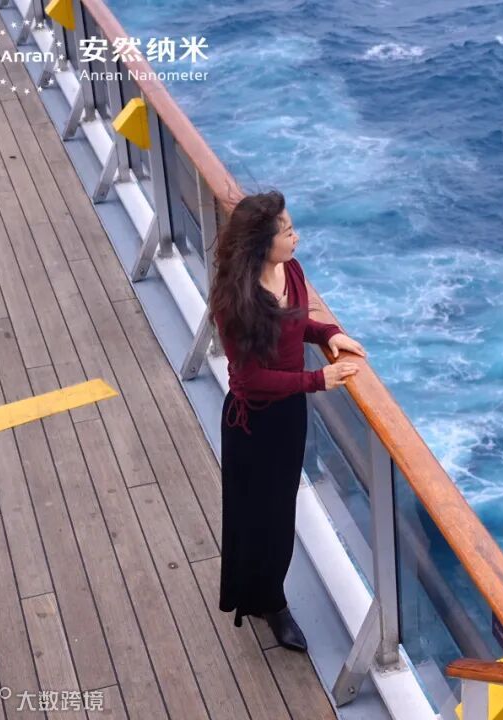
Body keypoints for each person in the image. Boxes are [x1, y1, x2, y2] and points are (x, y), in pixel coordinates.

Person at [208, 189, 365, 650]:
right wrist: (317, 379)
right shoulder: (234, 299)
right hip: (252, 423)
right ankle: (268, 604)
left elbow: (297, 324)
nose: (297, 238)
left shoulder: (290, 270)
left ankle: (266, 596)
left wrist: (330, 333)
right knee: (256, 518)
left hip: (289, 414)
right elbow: (250, 379)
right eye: (288, 232)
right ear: (263, 243)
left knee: (279, 516)